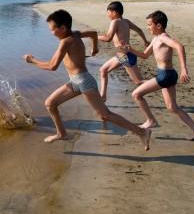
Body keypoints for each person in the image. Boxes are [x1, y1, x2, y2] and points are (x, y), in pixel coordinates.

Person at [23, 9, 151, 150]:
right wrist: (95, 47)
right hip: (75, 81)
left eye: (52, 29)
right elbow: (93, 34)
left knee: (105, 115)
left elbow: (52, 66)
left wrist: (33, 60)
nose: (51, 33)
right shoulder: (76, 34)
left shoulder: (66, 42)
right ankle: (62, 133)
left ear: (63, 28)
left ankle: (142, 132)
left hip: (83, 81)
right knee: (50, 104)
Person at [125, 10, 194, 141]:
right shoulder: (155, 39)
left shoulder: (163, 37)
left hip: (166, 75)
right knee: (172, 107)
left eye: (150, 24)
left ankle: (151, 120)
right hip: (167, 75)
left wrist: (184, 69)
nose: (148, 27)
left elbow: (180, 46)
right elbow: (145, 55)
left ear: (159, 25)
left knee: (136, 94)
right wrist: (131, 50)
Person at [97, 1, 149, 101]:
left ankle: (161, 83)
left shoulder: (115, 22)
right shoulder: (126, 21)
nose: (107, 15)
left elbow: (108, 38)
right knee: (103, 70)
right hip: (123, 56)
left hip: (124, 57)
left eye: (108, 12)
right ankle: (102, 96)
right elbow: (139, 29)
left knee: (139, 81)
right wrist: (145, 41)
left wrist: (94, 36)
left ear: (114, 12)